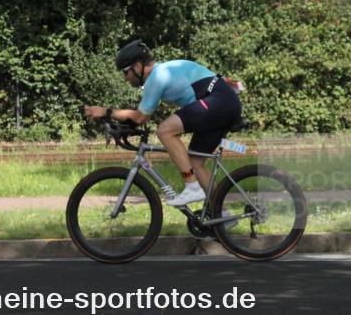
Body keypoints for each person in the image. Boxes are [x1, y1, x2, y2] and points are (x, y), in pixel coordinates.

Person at [83, 39, 242, 207]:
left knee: (165, 131)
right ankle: (220, 213)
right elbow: (138, 118)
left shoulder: (157, 77)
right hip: (222, 102)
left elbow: (139, 117)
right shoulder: (164, 71)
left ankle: (192, 186)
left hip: (219, 101)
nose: (125, 78)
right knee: (195, 162)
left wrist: (106, 112)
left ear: (138, 66)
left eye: (125, 71)